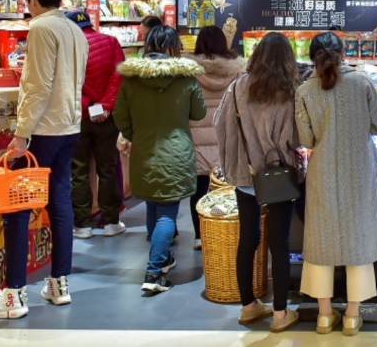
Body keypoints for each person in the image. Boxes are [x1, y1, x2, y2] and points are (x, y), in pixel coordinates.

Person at [0, 0, 87, 319]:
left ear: (34, 0)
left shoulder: (40, 28)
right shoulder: (76, 30)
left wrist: (22, 133)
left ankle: (13, 295)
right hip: (69, 126)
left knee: (17, 206)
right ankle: (59, 284)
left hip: (43, 129)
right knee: (60, 203)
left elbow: (38, 85)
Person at [295, 32, 377, 337]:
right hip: (359, 170)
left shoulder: (305, 90)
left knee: (320, 240)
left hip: (322, 171)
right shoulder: (362, 82)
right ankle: (352, 315)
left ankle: (324, 316)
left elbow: (306, 139)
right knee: (357, 238)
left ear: (311, 57)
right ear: (343, 53)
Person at [216, 32, 300, 333]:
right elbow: (295, 137)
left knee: (248, 239)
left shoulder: (237, 87)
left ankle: (248, 307)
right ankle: (280, 313)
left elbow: (220, 125)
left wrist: (231, 162)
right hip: (278, 177)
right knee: (280, 242)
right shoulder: (290, 91)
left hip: (245, 173)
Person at [114, 25, 207, 296]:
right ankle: (154, 272)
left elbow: (119, 115)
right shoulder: (185, 78)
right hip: (176, 152)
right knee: (167, 212)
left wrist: (136, 135)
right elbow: (199, 113)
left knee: (153, 206)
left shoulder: (132, 80)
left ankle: (162, 258)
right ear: (174, 47)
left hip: (144, 150)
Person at [67, 9, 127, 240]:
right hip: (106, 119)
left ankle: (82, 225)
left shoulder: (68, 47)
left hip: (77, 117)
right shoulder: (111, 42)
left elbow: (67, 83)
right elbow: (118, 76)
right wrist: (105, 105)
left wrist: (86, 105)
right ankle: (111, 222)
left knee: (79, 171)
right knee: (108, 169)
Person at [190, 26, 247, 251]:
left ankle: (199, 236)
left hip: (197, 136)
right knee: (225, 189)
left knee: (198, 188)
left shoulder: (190, 72)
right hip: (226, 135)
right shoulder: (236, 72)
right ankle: (223, 231)